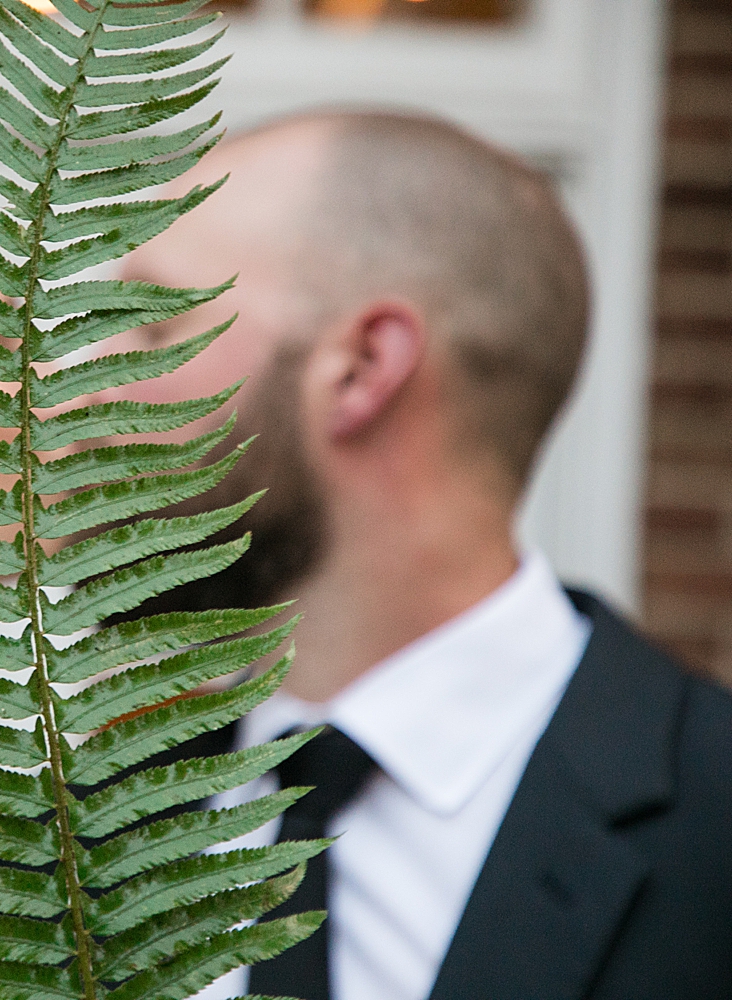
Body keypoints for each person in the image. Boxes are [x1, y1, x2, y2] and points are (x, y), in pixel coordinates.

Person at [104, 111, 732, 1000]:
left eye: (151, 328)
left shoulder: (714, 825)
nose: (88, 385)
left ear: (364, 367)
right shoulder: (85, 817)